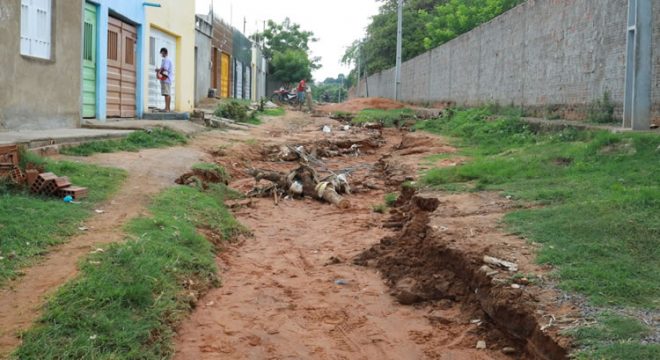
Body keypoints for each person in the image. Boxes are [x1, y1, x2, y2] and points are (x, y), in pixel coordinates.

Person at [156, 48, 173, 112]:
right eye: (161, 53)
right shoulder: (166, 60)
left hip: (166, 79)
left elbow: (165, 68)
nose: (161, 54)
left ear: (165, 53)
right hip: (167, 79)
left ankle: (167, 109)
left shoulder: (166, 60)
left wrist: (158, 70)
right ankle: (167, 108)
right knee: (167, 93)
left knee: (166, 94)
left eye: (162, 53)